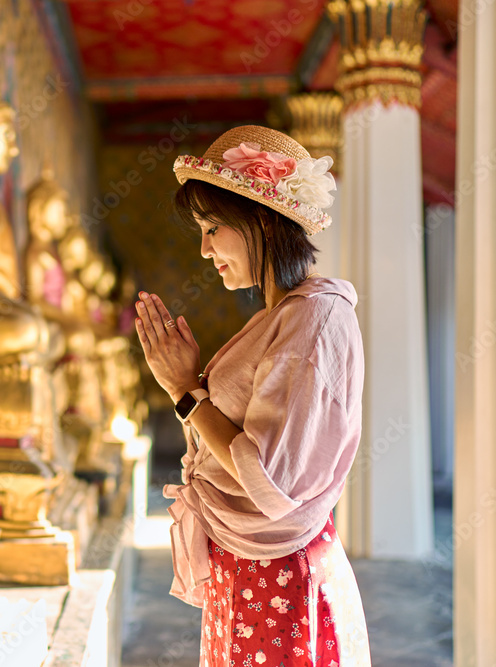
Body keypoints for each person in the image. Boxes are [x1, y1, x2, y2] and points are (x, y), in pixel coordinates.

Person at [134, 125, 370, 665]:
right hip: (250, 570)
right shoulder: (284, 315)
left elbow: (268, 478)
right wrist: (185, 387)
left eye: (213, 228)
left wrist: (185, 390)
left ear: (262, 219)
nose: (204, 249)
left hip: (277, 580)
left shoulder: (312, 319)